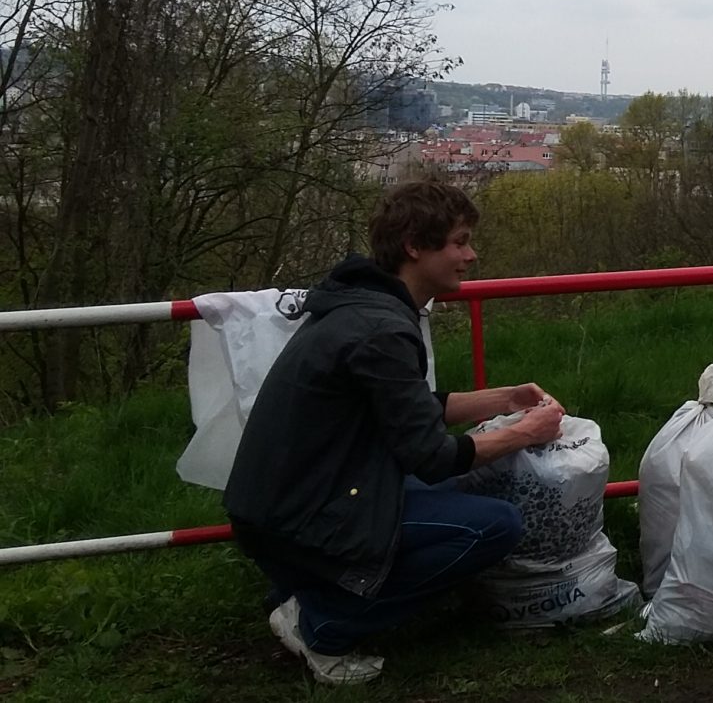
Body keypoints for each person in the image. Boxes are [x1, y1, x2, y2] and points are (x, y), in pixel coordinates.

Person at [225, 180, 567, 685]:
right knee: (494, 526)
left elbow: (405, 408)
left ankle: (308, 590)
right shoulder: (381, 329)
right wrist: (526, 433)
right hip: (302, 518)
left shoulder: (362, 306)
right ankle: (324, 623)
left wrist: (502, 400)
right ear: (414, 247)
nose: (471, 256)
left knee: (450, 494)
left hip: (279, 507)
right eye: (459, 242)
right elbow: (432, 457)